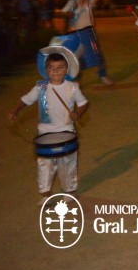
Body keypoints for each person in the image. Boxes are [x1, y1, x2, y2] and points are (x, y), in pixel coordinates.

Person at [8, 51, 89, 202]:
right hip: (45, 132)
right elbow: (26, 100)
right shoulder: (41, 88)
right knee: (45, 164)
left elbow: (84, 103)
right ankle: (45, 194)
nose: (56, 71)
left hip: (66, 131)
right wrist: (15, 111)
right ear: (46, 70)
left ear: (67, 69)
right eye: (51, 68)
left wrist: (78, 114)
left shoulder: (72, 87)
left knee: (67, 163)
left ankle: (69, 191)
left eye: (60, 68)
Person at [61, 0, 113, 85]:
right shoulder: (72, 2)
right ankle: (77, 79)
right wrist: (72, 10)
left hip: (89, 32)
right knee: (77, 57)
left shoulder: (90, 3)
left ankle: (102, 76)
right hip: (76, 33)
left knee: (98, 54)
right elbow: (63, 13)